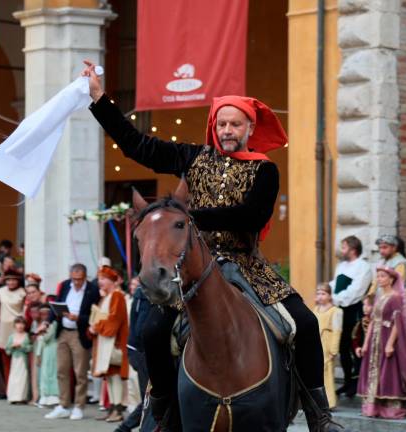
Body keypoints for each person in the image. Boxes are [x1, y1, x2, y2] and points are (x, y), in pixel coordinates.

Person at [83, 60, 339, 431]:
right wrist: (99, 100)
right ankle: (160, 409)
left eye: (235, 124)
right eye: (222, 123)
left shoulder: (264, 170)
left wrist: (193, 218)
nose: (227, 130)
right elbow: (139, 146)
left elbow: (251, 216)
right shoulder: (194, 158)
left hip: (247, 265)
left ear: (249, 127)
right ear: (213, 126)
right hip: (194, 267)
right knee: (154, 331)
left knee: (305, 322)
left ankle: (319, 415)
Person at [45, 263, 99, 421]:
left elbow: (95, 315)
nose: (76, 282)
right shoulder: (64, 286)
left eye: (79, 279)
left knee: (80, 373)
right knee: (62, 370)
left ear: (85, 277)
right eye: (74, 279)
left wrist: (78, 318)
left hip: (79, 333)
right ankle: (63, 405)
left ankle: (79, 406)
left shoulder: (92, 289)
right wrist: (47, 322)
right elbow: (56, 306)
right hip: (63, 332)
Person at [357, 266, 406, 419]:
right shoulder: (379, 297)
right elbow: (374, 321)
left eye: (382, 276)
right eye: (378, 276)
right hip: (375, 338)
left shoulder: (395, 297)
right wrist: (366, 343)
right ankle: (373, 406)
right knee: (373, 371)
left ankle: (389, 407)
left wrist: (390, 343)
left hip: (386, 337)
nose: (379, 279)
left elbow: (397, 322)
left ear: (391, 279)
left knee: (387, 371)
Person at [329, 235, 371, 399]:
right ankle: (347, 381)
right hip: (339, 309)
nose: (341, 250)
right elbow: (334, 284)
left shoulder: (363, 266)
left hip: (353, 310)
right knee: (342, 347)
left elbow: (357, 290)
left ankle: (356, 383)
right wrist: (330, 296)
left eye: (344, 247)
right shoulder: (341, 265)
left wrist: (337, 299)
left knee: (355, 347)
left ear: (353, 249)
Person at [89, 265, 130, 422]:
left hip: (114, 343)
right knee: (111, 377)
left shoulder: (117, 296)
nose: (100, 282)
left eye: (103, 279)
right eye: (99, 279)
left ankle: (118, 410)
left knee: (116, 377)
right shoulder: (107, 296)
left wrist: (97, 327)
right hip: (106, 342)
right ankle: (113, 408)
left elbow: (115, 320)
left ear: (113, 281)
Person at [116, 279, 152, 432]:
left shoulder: (144, 291)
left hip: (141, 351)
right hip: (142, 352)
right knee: (149, 398)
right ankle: (125, 428)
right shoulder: (144, 293)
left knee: (150, 397)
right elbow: (140, 329)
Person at [313, 283, 343, 409]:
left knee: (327, 374)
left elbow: (337, 330)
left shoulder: (336, 311)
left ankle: (330, 402)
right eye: (318, 294)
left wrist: (334, 349)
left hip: (327, 344)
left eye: (323, 294)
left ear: (330, 296)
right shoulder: (316, 309)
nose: (320, 296)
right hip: (317, 343)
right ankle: (317, 401)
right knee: (316, 373)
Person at [0, 271, 26, 385]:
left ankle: (18, 387)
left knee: (18, 358)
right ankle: (7, 387)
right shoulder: (0, 291)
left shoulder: (23, 292)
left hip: (17, 327)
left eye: (14, 279)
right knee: (5, 358)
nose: (11, 282)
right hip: (4, 327)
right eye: (8, 279)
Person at [366, 235, 406, 299]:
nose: (381, 251)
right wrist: (370, 296)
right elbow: (376, 281)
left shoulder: (400, 263)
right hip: (380, 299)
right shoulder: (382, 261)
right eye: (380, 248)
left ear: (394, 248)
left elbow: (399, 284)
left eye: (385, 247)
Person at [35, 304, 60, 407]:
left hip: (52, 349)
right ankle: (44, 396)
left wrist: (39, 336)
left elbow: (46, 337)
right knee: (44, 373)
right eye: (42, 314)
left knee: (51, 373)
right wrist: (38, 353)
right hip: (45, 350)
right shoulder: (43, 324)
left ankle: (53, 396)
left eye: (46, 313)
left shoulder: (52, 323)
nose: (44, 316)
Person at [6, 316, 32, 403]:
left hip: (23, 360)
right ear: (15, 325)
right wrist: (12, 346)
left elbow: (30, 348)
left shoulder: (26, 336)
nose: (20, 326)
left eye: (22, 323)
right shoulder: (11, 337)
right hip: (15, 361)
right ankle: (13, 397)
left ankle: (21, 397)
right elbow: (7, 350)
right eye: (18, 323)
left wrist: (22, 346)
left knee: (22, 377)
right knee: (14, 377)